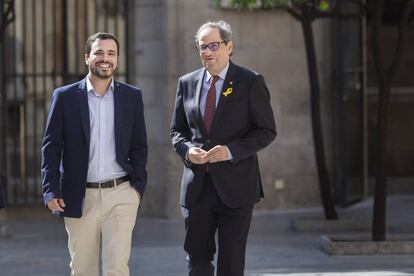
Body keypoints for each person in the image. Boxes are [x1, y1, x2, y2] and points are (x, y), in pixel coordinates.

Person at [170, 20, 277, 276]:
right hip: (197, 189)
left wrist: (230, 151)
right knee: (197, 262)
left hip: (236, 189)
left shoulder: (250, 81)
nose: (208, 52)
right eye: (202, 47)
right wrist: (187, 151)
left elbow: (266, 131)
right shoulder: (187, 83)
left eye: (214, 45)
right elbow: (177, 132)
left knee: (231, 264)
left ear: (229, 47)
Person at [41, 32, 147, 276]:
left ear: (117, 59)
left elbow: (139, 145)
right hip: (79, 195)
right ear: (87, 57)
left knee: (117, 268)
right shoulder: (65, 96)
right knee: (82, 269)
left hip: (121, 194)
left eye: (111, 53)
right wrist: (50, 189)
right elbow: (51, 146)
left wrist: (137, 188)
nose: (105, 58)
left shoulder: (132, 96)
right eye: (99, 52)